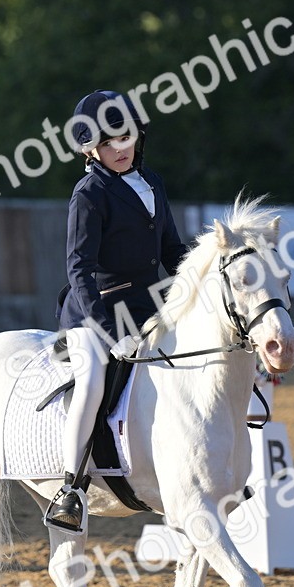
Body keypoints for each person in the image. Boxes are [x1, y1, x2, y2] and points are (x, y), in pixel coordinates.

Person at [45, 90, 189, 532]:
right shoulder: (89, 193)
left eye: (125, 137)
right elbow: (79, 268)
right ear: (91, 149)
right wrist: (109, 332)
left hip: (148, 305)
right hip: (97, 309)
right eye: (109, 144)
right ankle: (70, 488)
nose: (121, 149)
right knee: (91, 383)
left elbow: (171, 250)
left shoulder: (153, 184)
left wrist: (197, 285)